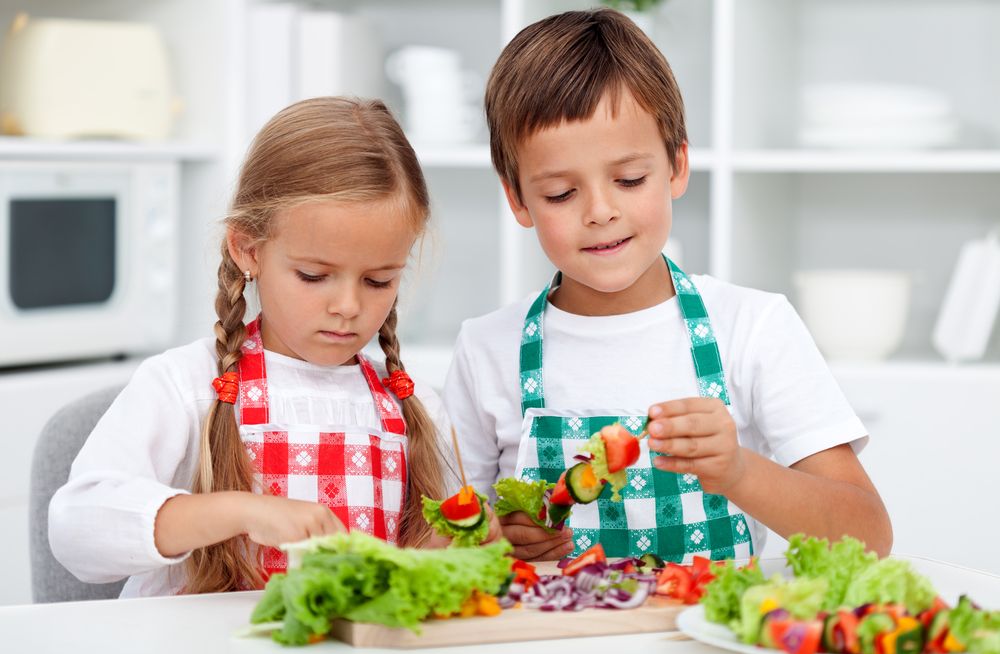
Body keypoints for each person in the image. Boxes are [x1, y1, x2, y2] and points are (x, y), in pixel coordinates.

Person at [443, 9, 892, 563]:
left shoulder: (752, 327)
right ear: (517, 198)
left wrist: (740, 471)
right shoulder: (487, 348)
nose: (601, 211)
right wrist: (498, 538)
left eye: (630, 180)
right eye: (561, 193)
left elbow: (869, 534)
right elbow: (444, 534)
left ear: (678, 166)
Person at [49, 97, 499, 597]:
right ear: (248, 249)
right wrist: (238, 511)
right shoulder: (186, 386)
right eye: (314, 275)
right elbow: (76, 530)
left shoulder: (414, 406)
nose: (348, 305)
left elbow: (449, 550)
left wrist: (464, 544)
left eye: (378, 280)